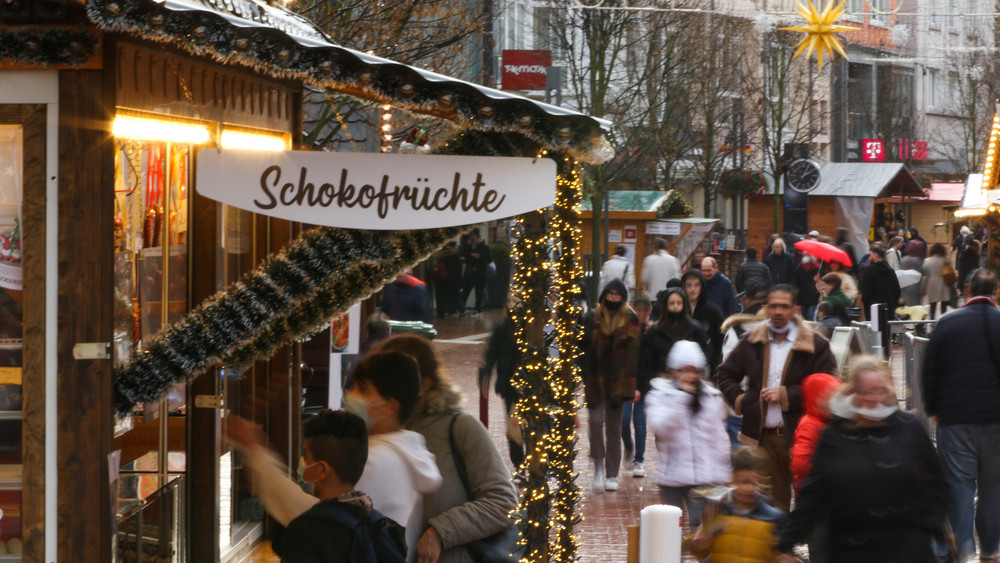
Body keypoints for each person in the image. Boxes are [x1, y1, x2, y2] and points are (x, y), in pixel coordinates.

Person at [224, 351, 443, 562]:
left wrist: (256, 450)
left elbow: (312, 518)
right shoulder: (404, 451)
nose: (352, 393)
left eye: (363, 388)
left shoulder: (378, 459)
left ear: (389, 406)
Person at [777, 357, 948, 562]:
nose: (875, 399)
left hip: (907, 548)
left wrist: (932, 526)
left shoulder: (910, 429)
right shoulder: (835, 435)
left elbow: (937, 483)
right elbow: (813, 492)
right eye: (867, 392)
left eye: (880, 390)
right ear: (854, 393)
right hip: (851, 548)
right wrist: (787, 542)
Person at [377, 333, 520, 563]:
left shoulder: (460, 427)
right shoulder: (378, 431)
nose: (381, 391)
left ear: (425, 384)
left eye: (390, 380)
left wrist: (441, 531)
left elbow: (503, 501)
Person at [715, 284, 837, 512]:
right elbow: (725, 373)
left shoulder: (815, 344)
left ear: (796, 309)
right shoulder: (751, 341)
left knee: (811, 504)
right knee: (771, 509)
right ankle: (779, 547)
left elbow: (828, 389)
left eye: (784, 306)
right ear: (766, 308)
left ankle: (811, 547)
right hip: (764, 440)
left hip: (803, 437)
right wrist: (742, 401)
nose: (779, 311)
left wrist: (785, 395)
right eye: (774, 306)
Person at [922, 268, 1000, 561]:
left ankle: (963, 551)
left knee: (959, 487)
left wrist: (933, 408)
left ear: (967, 290)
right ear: (995, 292)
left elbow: (930, 371)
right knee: (994, 487)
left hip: (955, 418)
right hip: (997, 420)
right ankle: (992, 548)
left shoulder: (946, 323)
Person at [272, 409, 407, 563]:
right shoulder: (380, 525)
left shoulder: (307, 531)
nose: (303, 462)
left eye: (306, 456)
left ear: (322, 469)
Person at [646, 340, 732, 529]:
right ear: (674, 371)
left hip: (702, 478)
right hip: (671, 477)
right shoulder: (661, 395)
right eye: (684, 370)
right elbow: (661, 428)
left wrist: (723, 472)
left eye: (694, 370)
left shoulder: (710, 397)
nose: (690, 376)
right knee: (670, 531)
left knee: (701, 528)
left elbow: (717, 437)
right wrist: (681, 399)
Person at [581, 278, 641, 492]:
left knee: (614, 428)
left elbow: (634, 356)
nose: (613, 298)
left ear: (623, 298)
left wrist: (632, 385)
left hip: (619, 381)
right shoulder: (593, 317)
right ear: (604, 295)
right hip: (595, 379)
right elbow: (584, 345)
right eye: (610, 294)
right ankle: (598, 464)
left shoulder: (630, 319)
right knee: (595, 422)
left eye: (617, 295)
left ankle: (611, 473)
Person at [688, 447, 787, 562]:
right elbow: (700, 549)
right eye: (743, 482)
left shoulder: (772, 517)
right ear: (731, 480)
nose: (749, 488)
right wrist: (696, 544)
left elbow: (777, 554)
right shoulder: (717, 511)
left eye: (756, 483)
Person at [479, 297, 526, 479]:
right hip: (510, 386)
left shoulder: (532, 327)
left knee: (533, 429)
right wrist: (486, 374)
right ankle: (520, 467)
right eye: (510, 301)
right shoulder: (502, 327)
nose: (513, 305)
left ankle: (536, 467)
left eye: (517, 301)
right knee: (514, 429)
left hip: (532, 386)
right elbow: (492, 353)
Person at [623, 290, 654, 477]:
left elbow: (647, 363)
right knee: (624, 420)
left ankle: (639, 459)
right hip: (626, 382)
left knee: (640, 421)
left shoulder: (649, 332)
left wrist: (640, 388)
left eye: (645, 313)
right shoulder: (626, 329)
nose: (642, 317)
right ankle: (629, 446)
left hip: (643, 383)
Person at [680, 268, 724, 374]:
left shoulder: (713, 311)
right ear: (683, 287)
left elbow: (719, 341)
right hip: (681, 365)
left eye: (696, 285)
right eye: (689, 285)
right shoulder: (679, 309)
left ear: (702, 286)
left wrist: (715, 364)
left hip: (706, 366)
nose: (693, 289)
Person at [858, 246, 901, 315]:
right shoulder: (891, 271)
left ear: (875, 256)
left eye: (870, 255)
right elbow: (897, 291)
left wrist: (865, 302)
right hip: (888, 310)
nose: (869, 258)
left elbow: (866, 294)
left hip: (873, 310)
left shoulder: (869, 272)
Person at [459, 229, 492, 317]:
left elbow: (489, 259)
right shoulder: (469, 246)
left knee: (479, 294)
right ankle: (461, 310)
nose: (471, 238)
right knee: (465, 292)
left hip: (480, 274)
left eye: (473, 235)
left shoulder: (483, 246)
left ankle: (478, 310)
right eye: (470, 236)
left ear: (477, 236)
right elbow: (463, 255)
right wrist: (467, 247)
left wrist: (480, 257)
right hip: (470, 273)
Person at [431, 240, 464, 318]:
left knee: (443, 296)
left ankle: (442, 312)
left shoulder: (440, 254)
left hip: (441, 278)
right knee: (455, 295)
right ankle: (457, 311)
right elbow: (459, 266)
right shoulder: (455, 254)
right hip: (453, 279)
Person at [922, 243, 952, 319]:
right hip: (944, 283)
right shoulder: (946, 260)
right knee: (944, 306)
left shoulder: (927, 261)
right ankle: (944, 320)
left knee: (932, 306)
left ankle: (932, 322)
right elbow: (951, 273)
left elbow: (925, 276)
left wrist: (923, 287)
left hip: (932, 284)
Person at [794, 253, 821, 321]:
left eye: (808, 255)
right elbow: (796, 281)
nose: (806, 257)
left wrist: (818, 281)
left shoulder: (818, 268)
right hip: (802, 297)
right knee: (803, 317)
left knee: (810, 316)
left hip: (813, 298)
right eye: (805, 255)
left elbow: (821, 283)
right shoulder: (800, 268)